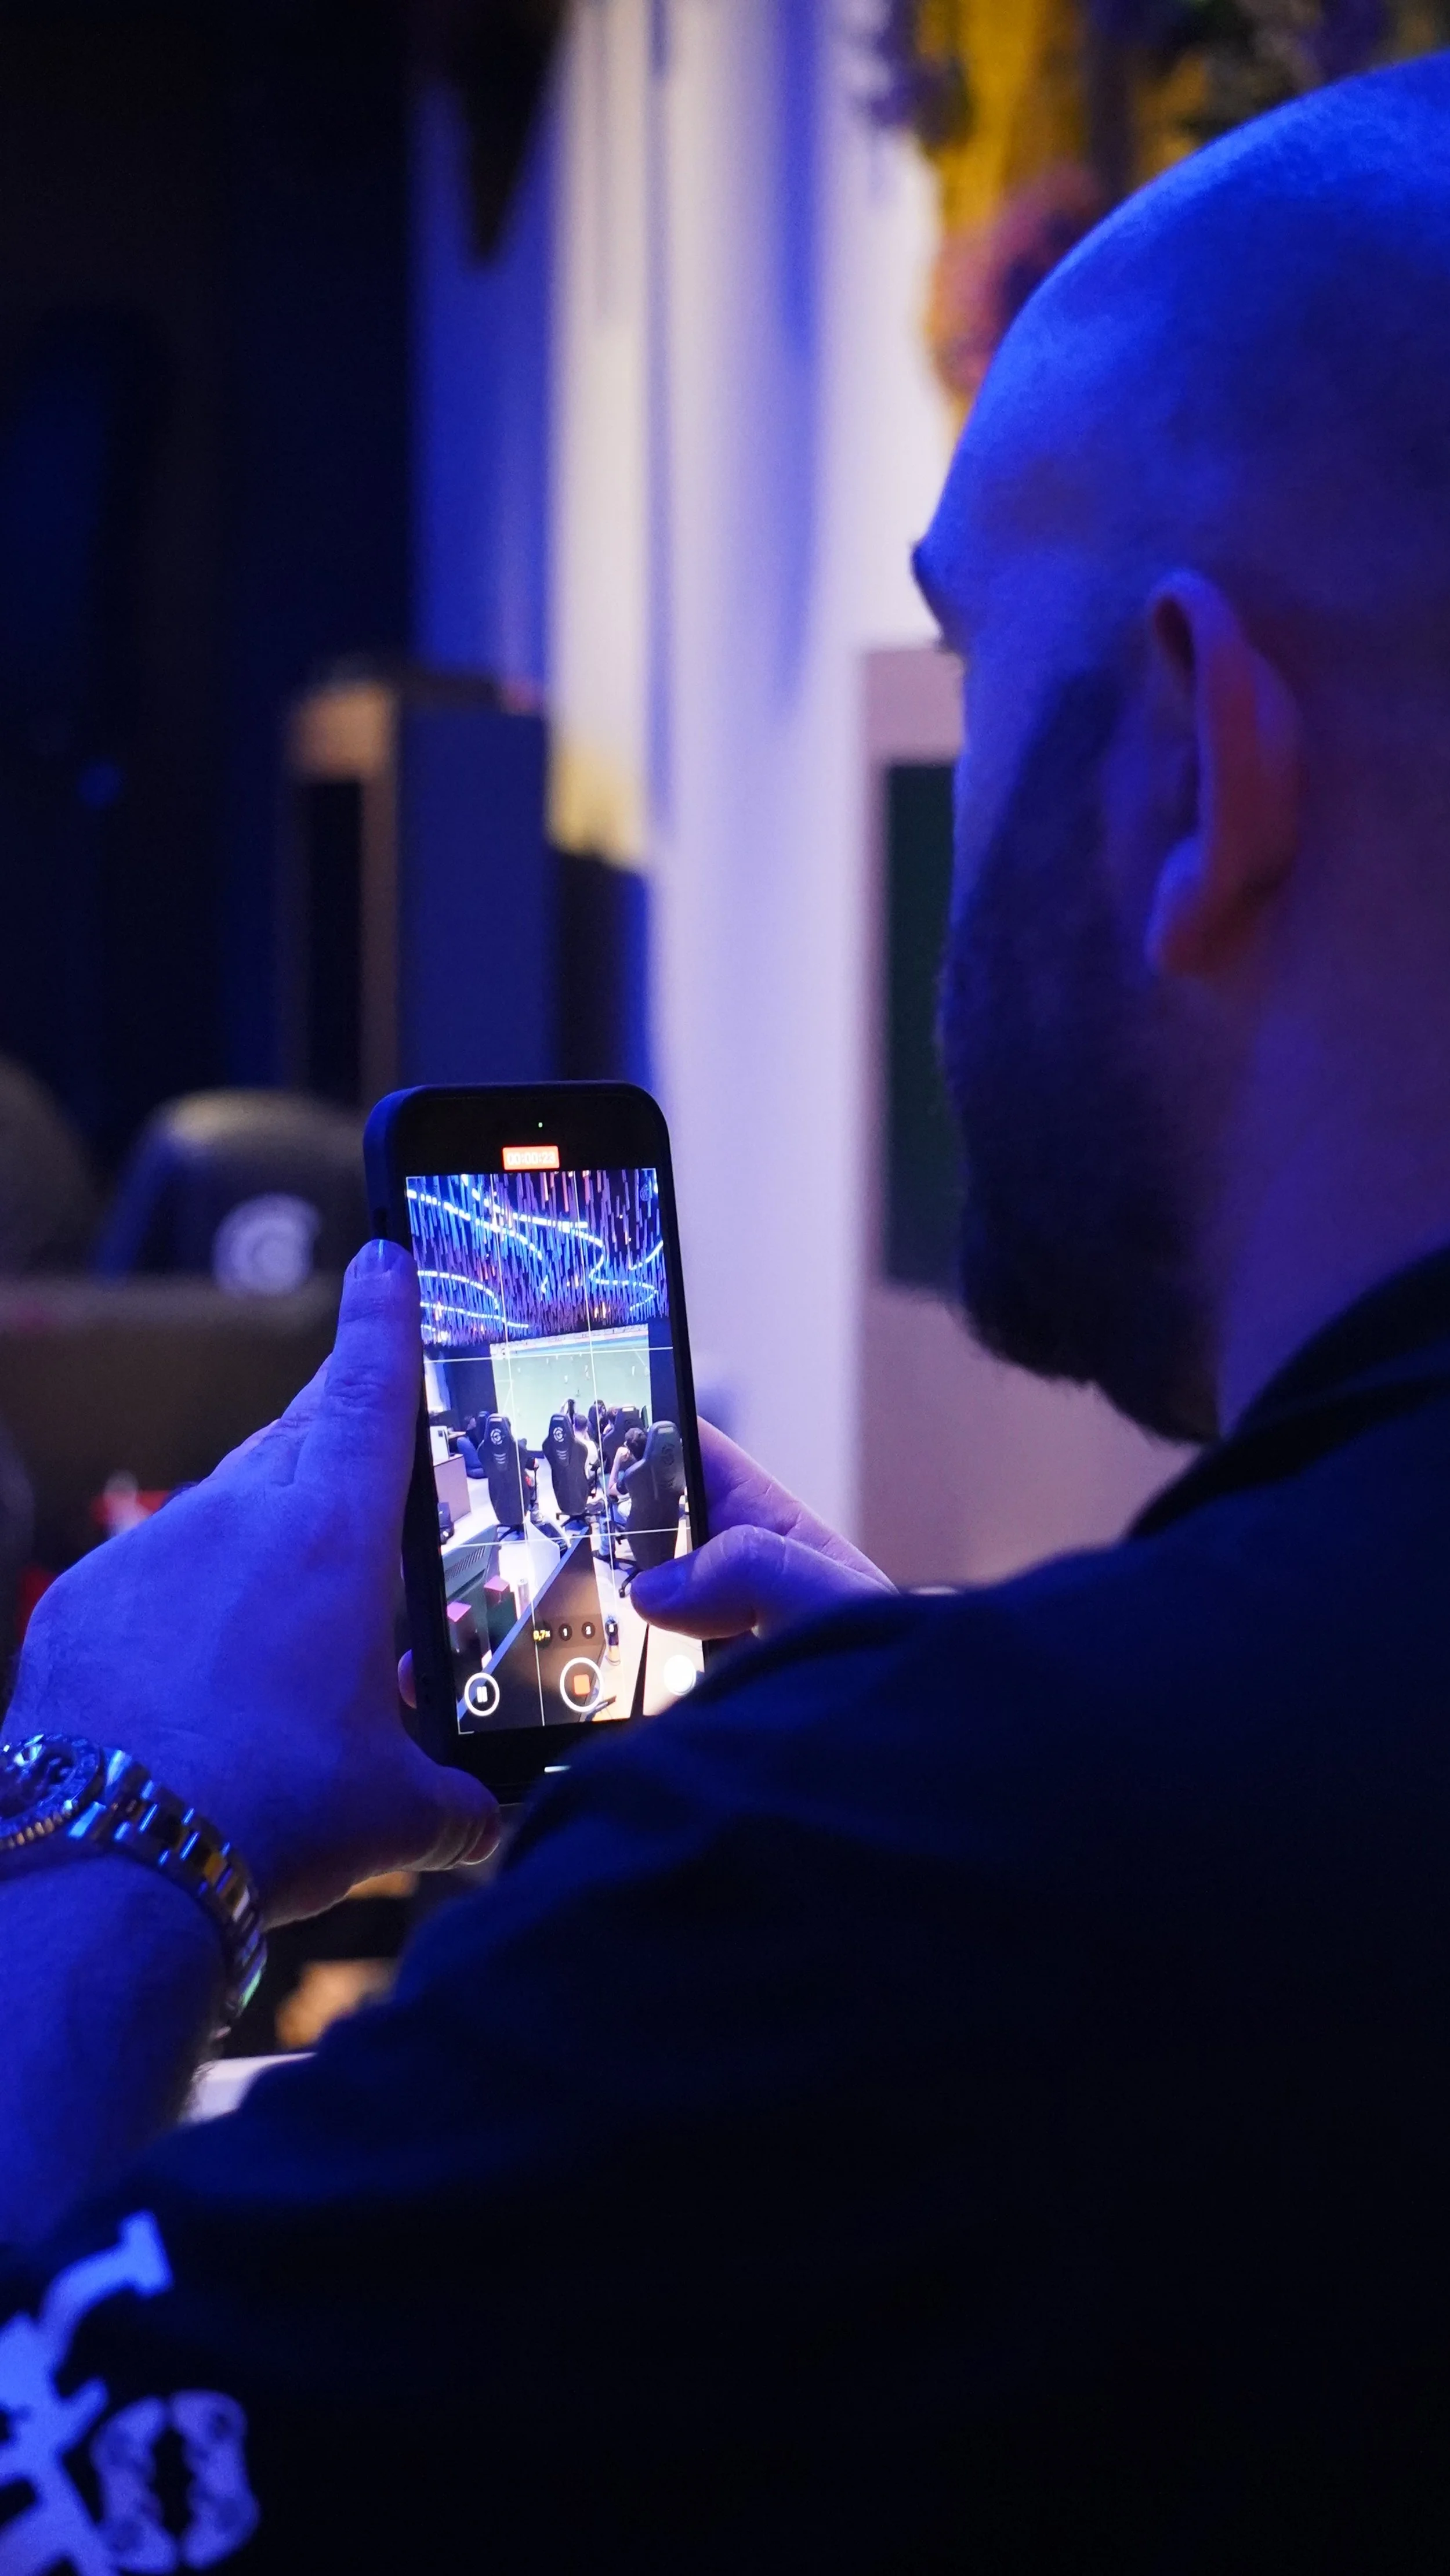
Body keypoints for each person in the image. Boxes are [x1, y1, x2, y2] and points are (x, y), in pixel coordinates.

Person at [6, 55, 1450, 2568]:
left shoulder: (902, 1908)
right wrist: (980, 1745)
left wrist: (113, 1812)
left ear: (1197, 763)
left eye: (976, 677)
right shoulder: (987, 1865)